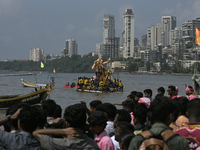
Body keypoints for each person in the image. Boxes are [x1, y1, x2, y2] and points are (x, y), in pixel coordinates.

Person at [33, 104, 100, 150]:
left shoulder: (59, 144)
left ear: (67, 123)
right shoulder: (93, 145)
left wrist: (63, 132)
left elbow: (36, 133)